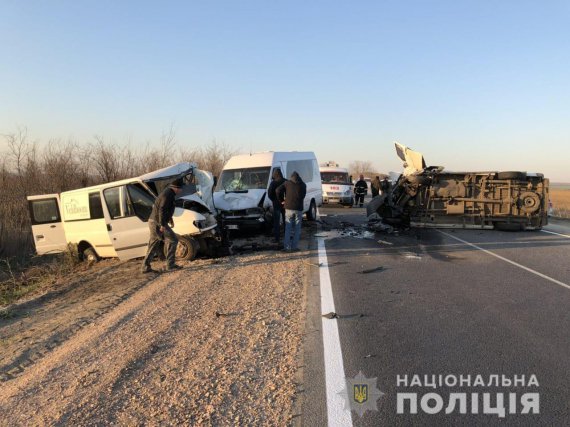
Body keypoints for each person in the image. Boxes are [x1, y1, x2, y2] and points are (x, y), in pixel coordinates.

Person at [141, 177, 184, 273]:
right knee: (173, 239)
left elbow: (166, 209)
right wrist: (162, 224)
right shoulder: (168, 194)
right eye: (181, 188)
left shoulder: (169, 193)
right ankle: (170, 264)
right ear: (176, 187)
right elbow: (162, 209)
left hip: (155, 221)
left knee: (154, 243)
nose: (182, 190)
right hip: (156, 222)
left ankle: (145, 266)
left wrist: (170, 219)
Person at [276, 171, 306, 251]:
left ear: (291, 177)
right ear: (299, 177)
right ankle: (294, 247)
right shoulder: (303, 185)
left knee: (288, 228)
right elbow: (303, 196)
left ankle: (287, 248)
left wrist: (282, 200)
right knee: (297, 228)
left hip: (288, 208)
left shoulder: (287, 183)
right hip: (298, 209)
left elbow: (277, 190)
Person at [267, 169, 287, 243]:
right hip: (285, 204)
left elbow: (270, 194)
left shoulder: (273, 183)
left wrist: (274, 200)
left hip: (276, 204)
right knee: (286, 221)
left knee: (277, 222)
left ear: (276, 174)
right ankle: (286, 236)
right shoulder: (286, 181)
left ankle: (277, 238)